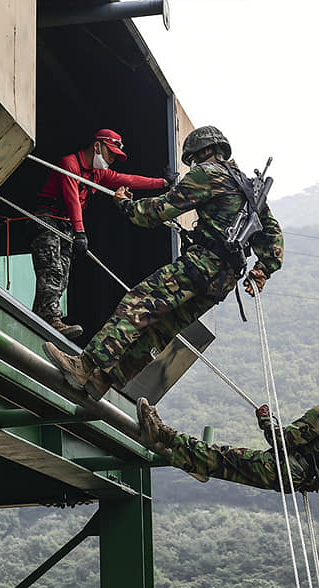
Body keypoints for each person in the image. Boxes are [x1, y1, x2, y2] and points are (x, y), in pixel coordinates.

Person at [42, 125, 283, 399]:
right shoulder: (248, 186)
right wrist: (263, 270)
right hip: (222, 282)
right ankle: (104, 380)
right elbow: (273, 234)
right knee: (161, 330)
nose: (193, 165)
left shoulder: (208, 174)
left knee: (140, 303)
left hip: (200, 265)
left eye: (193, 159)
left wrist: (126, 206)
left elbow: (158, 211)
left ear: (205, 151)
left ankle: (84, 365)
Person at [135, 360, 319, 492]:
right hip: (299, 479)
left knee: (222, 455)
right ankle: (177, 454)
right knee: (221, 466)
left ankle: (162, 433)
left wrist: (265, 421)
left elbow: (280, 441)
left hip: (284, 469)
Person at [31, 128, 169, 339]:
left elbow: (129, 179)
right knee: (53, 270)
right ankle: (51, 319)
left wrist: (163, 183)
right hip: (48, 217)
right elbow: (72, 200)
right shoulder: (70, 164)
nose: (112, 159)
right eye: (110, 153)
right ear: (97, 146)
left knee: (63, 275)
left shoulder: (98, 173)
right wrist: (80, 232)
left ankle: (41, 317)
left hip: (67, 223)